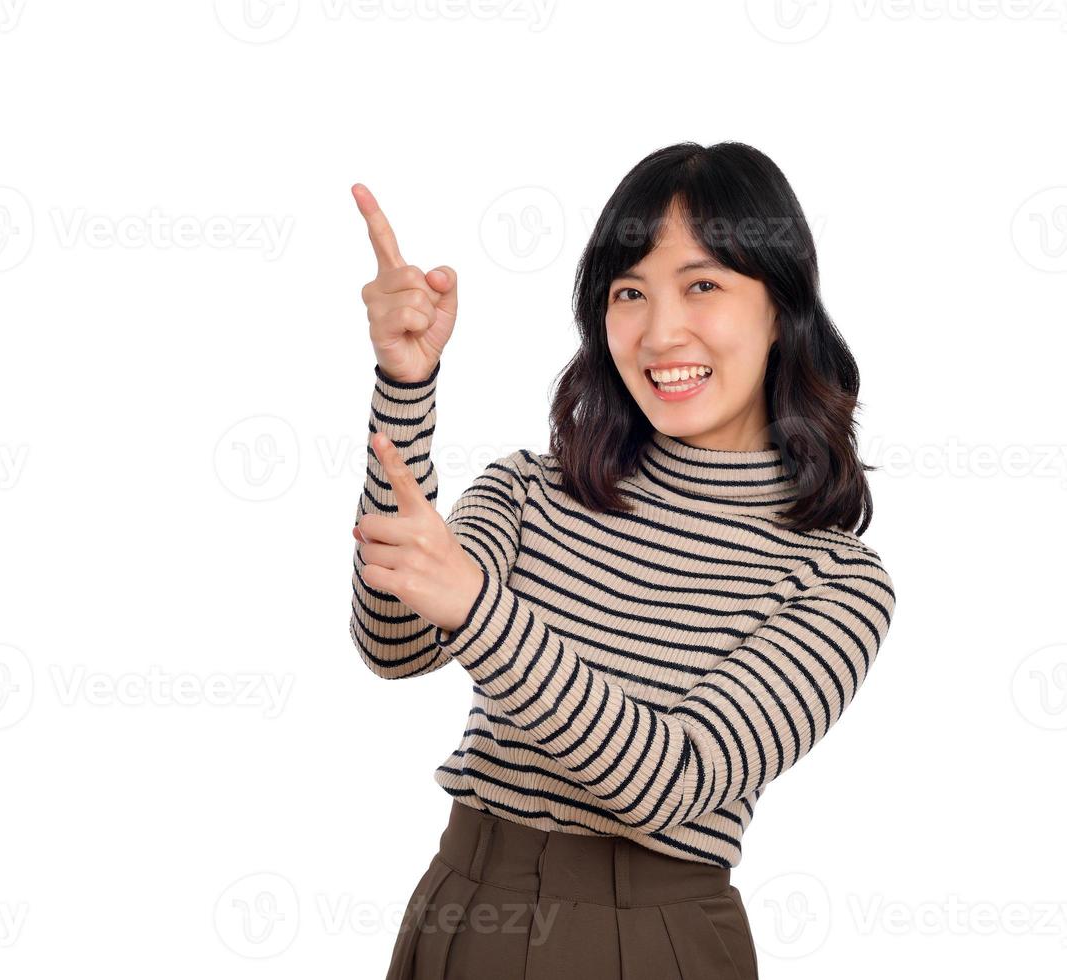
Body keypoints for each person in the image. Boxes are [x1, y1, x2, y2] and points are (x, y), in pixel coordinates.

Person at [349, 143, 897, 980]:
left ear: (782, 306)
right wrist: (405, 385)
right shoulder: (530, 490)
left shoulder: (836, 584)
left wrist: (481, 611)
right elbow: (395, 644)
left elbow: (667, 784)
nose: (659, 330)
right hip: (461, 904)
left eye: (702, 284)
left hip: (650, 941)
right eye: (628, 293)